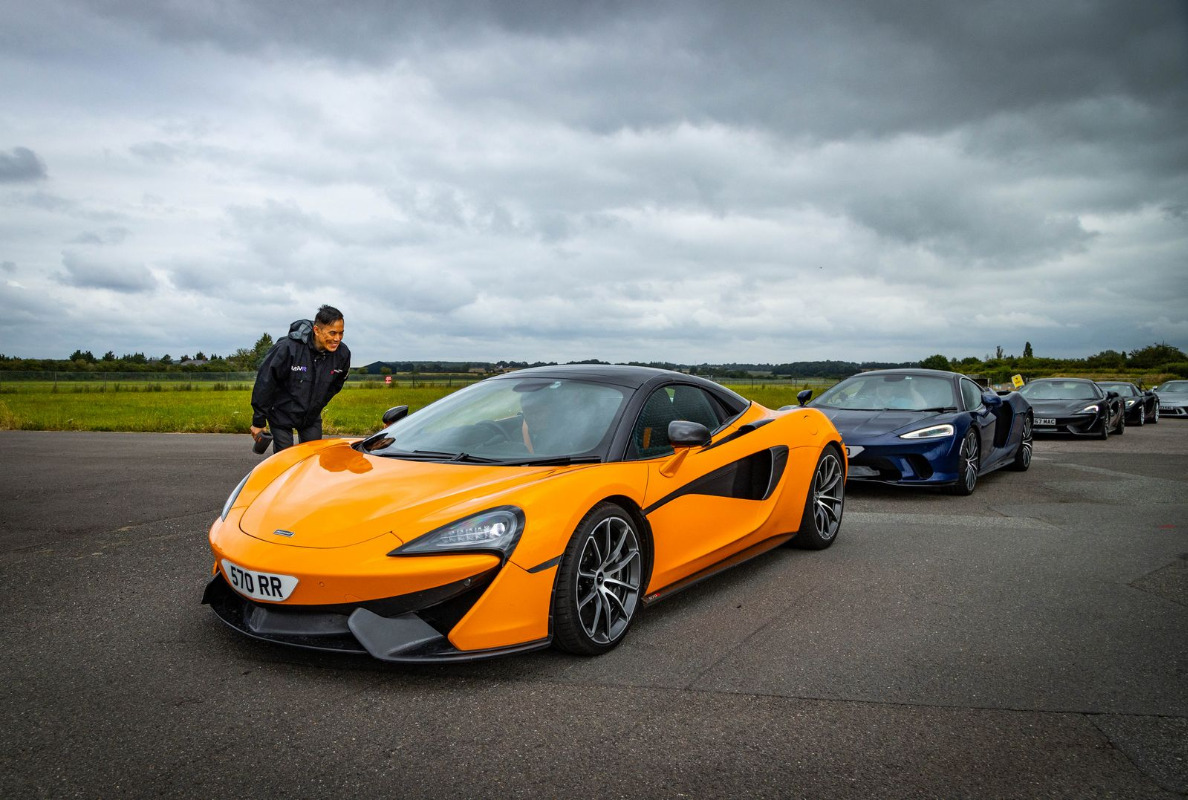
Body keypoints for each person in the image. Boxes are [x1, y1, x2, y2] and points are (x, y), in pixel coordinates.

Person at [250, 305, 351, 453]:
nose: (337, 339)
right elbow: (265, 382)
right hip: (280, 414)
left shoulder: (342, 354)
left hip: (310, 417)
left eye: (341, 333)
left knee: (312, 457)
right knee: (286, 458)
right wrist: (258, 421)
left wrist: (318, 404)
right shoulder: (287, 348)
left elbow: (337, 384)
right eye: (332, 333)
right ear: (316, 330)